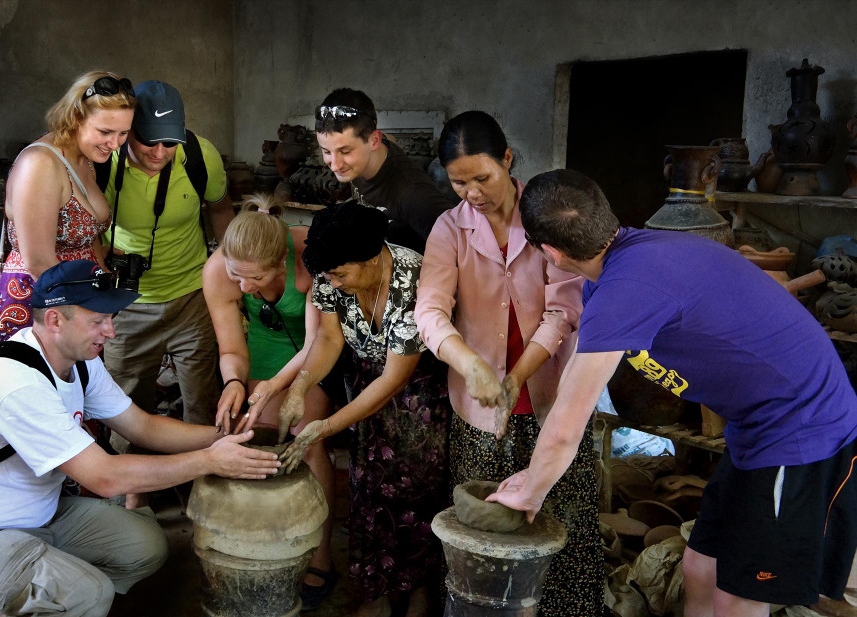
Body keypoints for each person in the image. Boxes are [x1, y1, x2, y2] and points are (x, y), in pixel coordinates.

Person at [488, 169, 857, 617]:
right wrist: (534, 475)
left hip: (801, 431)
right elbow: (578, 381)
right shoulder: (614, 272)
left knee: (739, 596)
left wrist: (531, 494)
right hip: (755, 426)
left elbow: (569, 423)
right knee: (700, 569)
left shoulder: (630, 285)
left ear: (550, 252)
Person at [0, 259, 279, 617]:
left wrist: (228, 436)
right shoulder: (14, 382)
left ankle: (47, 596)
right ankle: (54, 599)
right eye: (98, 321)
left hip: (37, 519)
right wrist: (211, 461)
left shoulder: (82, 362)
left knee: (145, 546)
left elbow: (143, 427)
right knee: (90, 594)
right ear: (55, 319)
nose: (111, 331)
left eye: (110, 319)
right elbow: (105, 477)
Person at [414, 111, 599, 617]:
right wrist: (468, 362)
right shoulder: (449, 229)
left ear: (508, 161)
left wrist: (518, 373)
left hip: (550, 399)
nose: (472, 193)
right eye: (458, 182)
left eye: (482, 178)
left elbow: (564, 311)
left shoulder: (545, 217)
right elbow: (429, 311)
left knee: (562, 526)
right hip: (480, 413)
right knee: (485, 533)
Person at [278, 202, 451, 617]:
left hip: (417, 392)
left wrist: (325, 426)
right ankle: (377, 587)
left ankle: (418, 592)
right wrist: (299, 385)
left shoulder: (412, 279)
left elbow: (394, 378)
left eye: (340, 274)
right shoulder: (330, 270)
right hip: (363, 378)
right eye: (328, 276)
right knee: (368, 485)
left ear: (373, 259)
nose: (332, 283)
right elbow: (328, 340)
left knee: (415, 489)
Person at [200, 193, 336, 609]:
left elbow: (317, 342)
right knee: (241, 430)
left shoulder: (311, 257)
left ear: (280, 262)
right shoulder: (218, 271)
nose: (243, 288)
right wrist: (234, 383)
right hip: (260, 353)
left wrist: (275, 389)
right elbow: (230, 347)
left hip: (311, 357)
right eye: (235, 276)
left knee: (305, 439)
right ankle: (251, 538)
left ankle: (320, 550)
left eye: (253, 280)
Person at [99, 81, 231, 493]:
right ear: (127, 133)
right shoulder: (104, 162)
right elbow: (85, 232)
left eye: (169, 143)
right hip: (128, 301)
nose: (158, 154)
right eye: (148, 142)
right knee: (126, 405)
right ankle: (134, 499)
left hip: (193, 296)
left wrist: (226, 270)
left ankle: (203, 494)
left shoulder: (199, 155)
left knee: (203, 401)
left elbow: (222, 207)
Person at [0, 70, 135, 345]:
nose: (114, 144)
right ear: (76, 117)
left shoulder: (84, 157)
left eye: (123, 133)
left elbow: (85, 236)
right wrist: (88, 315)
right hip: (41, 309)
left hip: (80, 306)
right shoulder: (40, 164)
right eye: (105, 131)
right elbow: (40, 263)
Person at [314, 87, 452, 253]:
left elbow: (459, 250)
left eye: (345, 151)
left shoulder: (413, 194)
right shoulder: (363, 159)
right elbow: (388, 138)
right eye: (327, 151)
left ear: (374, 141)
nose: (335, 165)